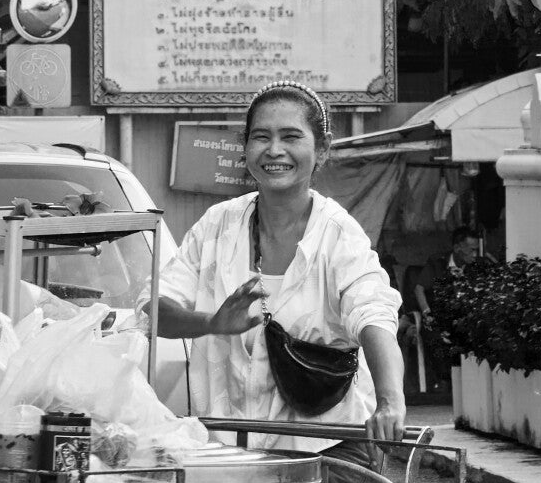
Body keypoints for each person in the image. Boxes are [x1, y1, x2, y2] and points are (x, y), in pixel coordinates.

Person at [157, 81, 406, 456]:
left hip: (329, 446)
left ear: (321, 149)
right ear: (245, 147)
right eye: (261, 137)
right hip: (228, 447)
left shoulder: (338, 235)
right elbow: (156, 310)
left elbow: (374, 314)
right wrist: (211, 323)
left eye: (291, 136)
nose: (274, 150)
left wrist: (390, 401)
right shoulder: (216, 226)